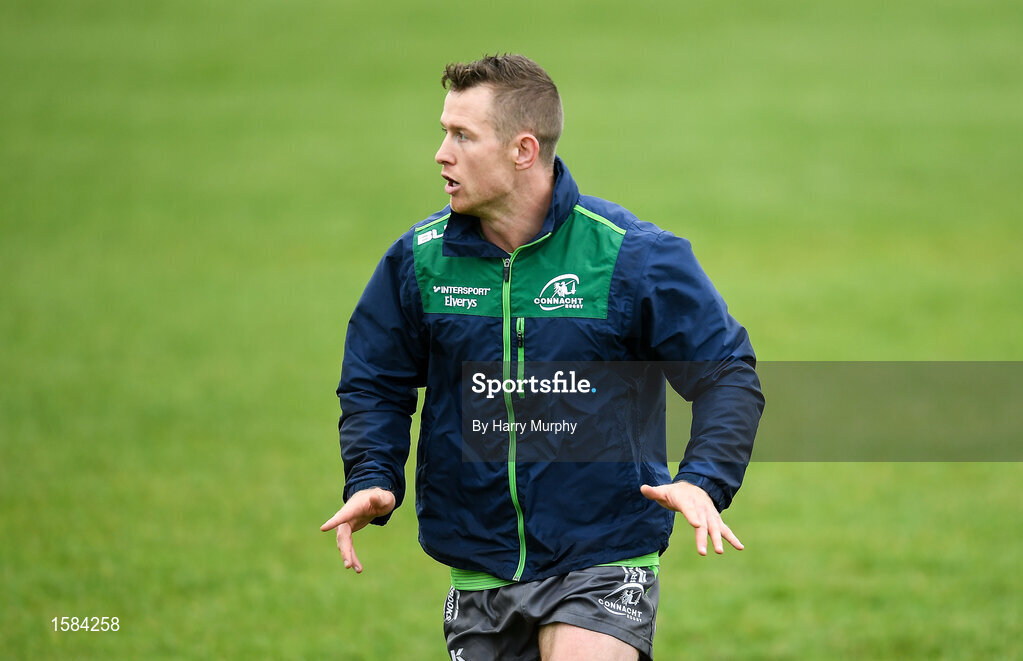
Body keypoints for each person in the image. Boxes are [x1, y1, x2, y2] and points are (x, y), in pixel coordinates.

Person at [321, 54, 764, 661]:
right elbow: (376, 380)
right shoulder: (419, 261)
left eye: (462, 136)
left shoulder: (630, 257)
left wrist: (703, 479)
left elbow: (726, 373)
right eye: (443, 131)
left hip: (603, 555)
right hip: (479, 565)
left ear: (523, 150)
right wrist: (373, 475)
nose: (440, 153)